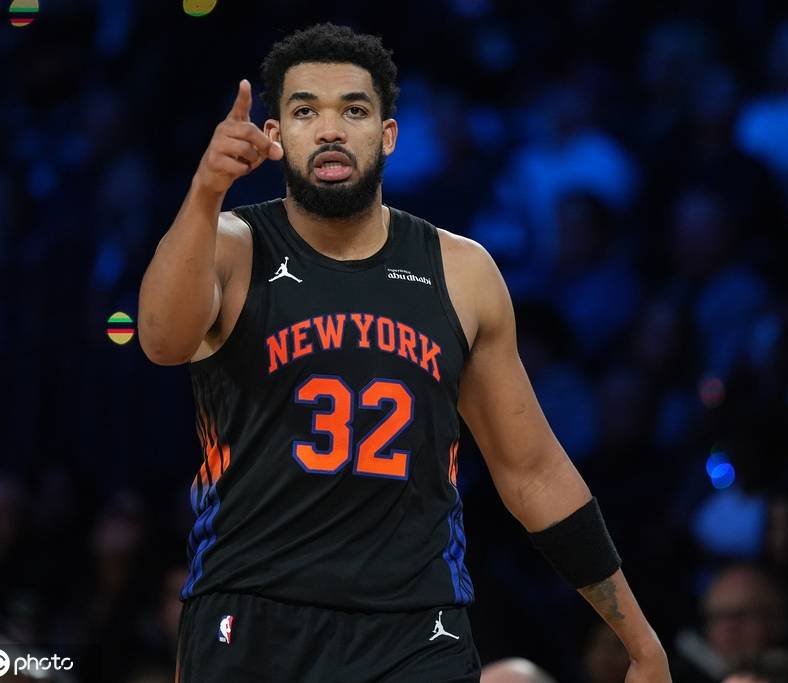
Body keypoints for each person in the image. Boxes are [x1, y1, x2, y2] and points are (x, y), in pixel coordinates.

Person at [137, 23, 669, 683]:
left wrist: (638, 637)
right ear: (274, 135)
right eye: (305, 111)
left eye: (354, 110)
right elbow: (161, 339)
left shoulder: (462, 270)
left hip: (417, 626)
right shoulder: (227, 243)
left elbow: (532, 471)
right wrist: (203, 191)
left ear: (388, 134)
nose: (330, 130)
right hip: (252, 610)